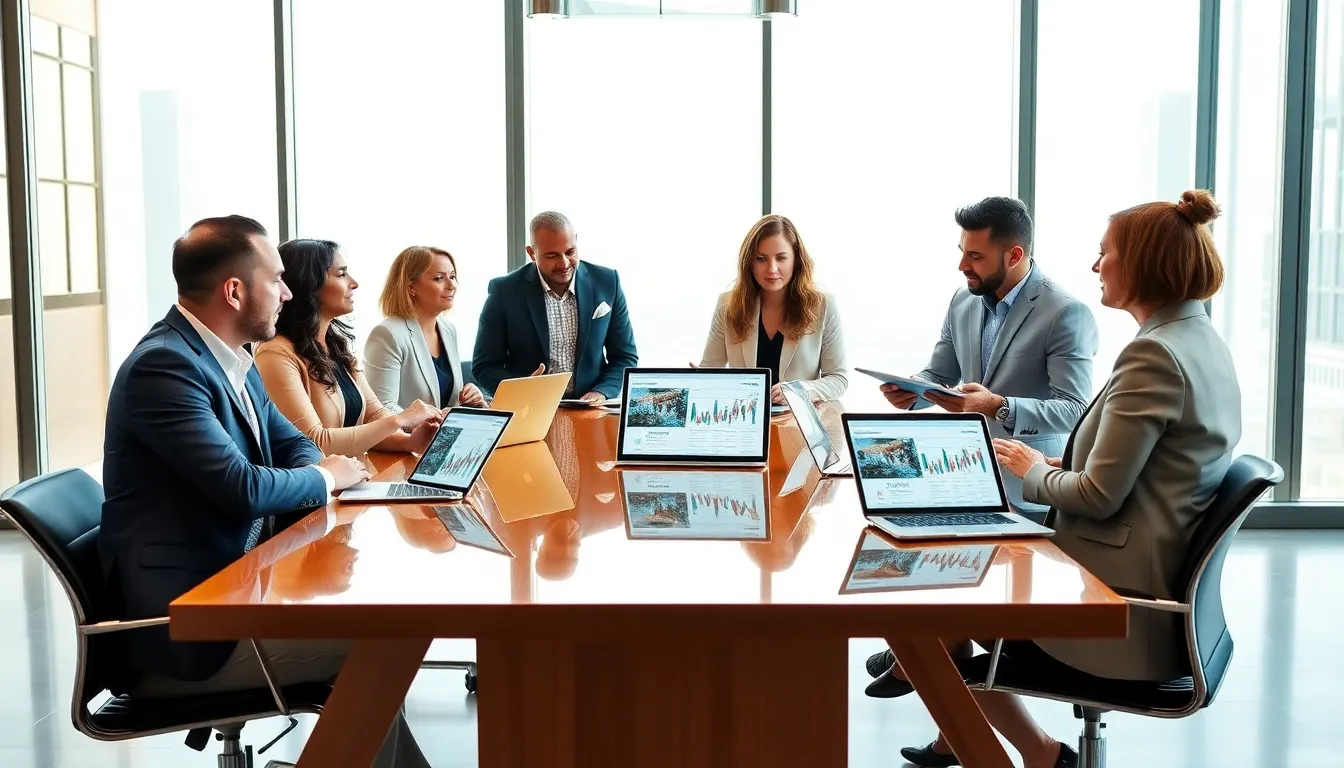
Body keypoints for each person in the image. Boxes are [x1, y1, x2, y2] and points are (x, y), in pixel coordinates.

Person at [887, 190, 1239, 768]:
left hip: (1121, 608)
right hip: (1145, 581)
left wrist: (1030, 469)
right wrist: (1049, 467)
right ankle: (1033, 751)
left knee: (932, 602)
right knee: (942, 585)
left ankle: (998, 739)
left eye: (1107, 253)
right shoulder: (1198, 342)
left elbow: (1098, 497)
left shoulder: (1153, 357)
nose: (1096, 265)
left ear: (1145, 264)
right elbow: (1129, 476)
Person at [99, 215, 428, 767]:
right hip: (186, 631)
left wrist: (321, 466)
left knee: (381, 634)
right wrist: (330, 475)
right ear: (234, 291)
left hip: (240, 588)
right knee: (381, 645)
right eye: (276, 278)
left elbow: (292, 444)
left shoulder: (232, 356)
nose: (288, 291)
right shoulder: (166, 367)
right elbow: (243, 488)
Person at [878, 196, 1098, 514]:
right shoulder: (962, 301)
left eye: (976, 256)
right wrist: (912, 392)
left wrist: (997, 406)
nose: (962, 265)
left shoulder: (1065, 313)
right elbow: (939, 375)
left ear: (1014, 256)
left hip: (1032, 495)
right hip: (967, 485)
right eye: (963, 252)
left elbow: (1075, 411)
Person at [255, 239, 444, 458]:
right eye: (341, 274)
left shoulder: (336, 347)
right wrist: (400, 419)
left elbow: (374, 415)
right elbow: (314, 441)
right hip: (315, 487)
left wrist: (410, 441)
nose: (353, 283)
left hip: (350, 478)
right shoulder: (276, 353)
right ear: (310, 283)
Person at [472, 211, 638, 401]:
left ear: (576, 241)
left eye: (570, 252)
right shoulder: (504, 291)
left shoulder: (608, 282)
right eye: (552, 256)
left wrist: (601, 392)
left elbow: (625, 357)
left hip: (590, 410)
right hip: (529, 409)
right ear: (532, 253)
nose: (564, 263)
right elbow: (484, 366)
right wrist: (521, 392)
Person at [698, 214, 848, 403]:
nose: (772, 268)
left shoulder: (822, 305)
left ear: (796, 260)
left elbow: (838, 379)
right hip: (746, 422)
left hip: (798, 425)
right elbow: (711, 368)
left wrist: (800, 391)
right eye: (761, 258)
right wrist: (698, 380)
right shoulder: (728, 305)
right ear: (749, 263)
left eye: (781, 258)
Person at [364, 245, 487, 412]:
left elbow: (448, 403)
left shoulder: (448, 330)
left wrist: (472, 399)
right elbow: (381, 409)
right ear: (411, 288)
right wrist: (430, 420)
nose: (452, 285)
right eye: (439, 278)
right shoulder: (387, 334)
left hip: (444, 436)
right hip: (409, 437)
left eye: (452, 276)